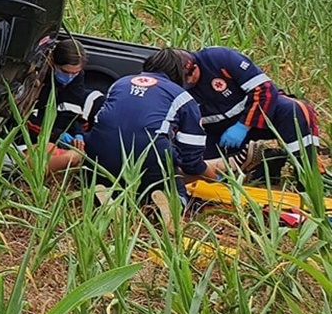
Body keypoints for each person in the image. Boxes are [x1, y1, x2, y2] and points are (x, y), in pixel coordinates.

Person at [85, 48, 217, 205]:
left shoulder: (120, 83)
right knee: (174, 187)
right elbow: (191, 159)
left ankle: (108, 196)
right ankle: (172, 202)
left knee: (112, 176)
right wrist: (213, 178)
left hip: (99, 151)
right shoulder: (182, 98)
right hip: (150, 155)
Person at [182, 46, 319, 181]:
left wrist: (243, 126)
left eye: (190, 76)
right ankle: (264, 162)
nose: (188, 82)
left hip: (258, 114)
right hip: (218, 132)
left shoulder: (217, 58)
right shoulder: (176, 85)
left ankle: (309, 175)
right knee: (198, 167)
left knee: (295, 110)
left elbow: (264, 89)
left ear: (195, 66)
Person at [24, 38, 104, 173]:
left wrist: (77, 132)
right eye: (65, 72)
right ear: (52, 62)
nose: (70, 77)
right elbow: (30, 116)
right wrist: (57, 134)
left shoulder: (76, 77)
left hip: (57, 115)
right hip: (39, 117)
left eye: (75, 73)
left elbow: (72, 105)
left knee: (96, 99)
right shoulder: (38, 77)